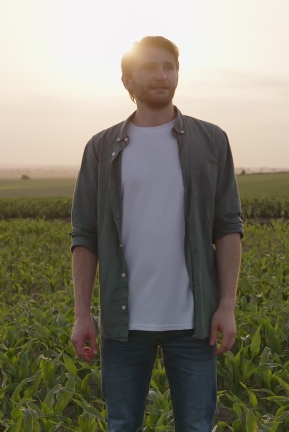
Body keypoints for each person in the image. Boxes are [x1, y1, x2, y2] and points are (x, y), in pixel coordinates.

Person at [69, 36, 244, 431]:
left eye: (169, 66)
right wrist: (83, 313)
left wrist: (227, 305)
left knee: (197, 427)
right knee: (122, 425)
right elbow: (85, 236)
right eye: (149, 67)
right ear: (127, 81)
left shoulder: (211, 141)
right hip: (123, 323)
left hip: (193, 322)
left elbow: (228, 227)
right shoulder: (101, 148)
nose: (162, 75)